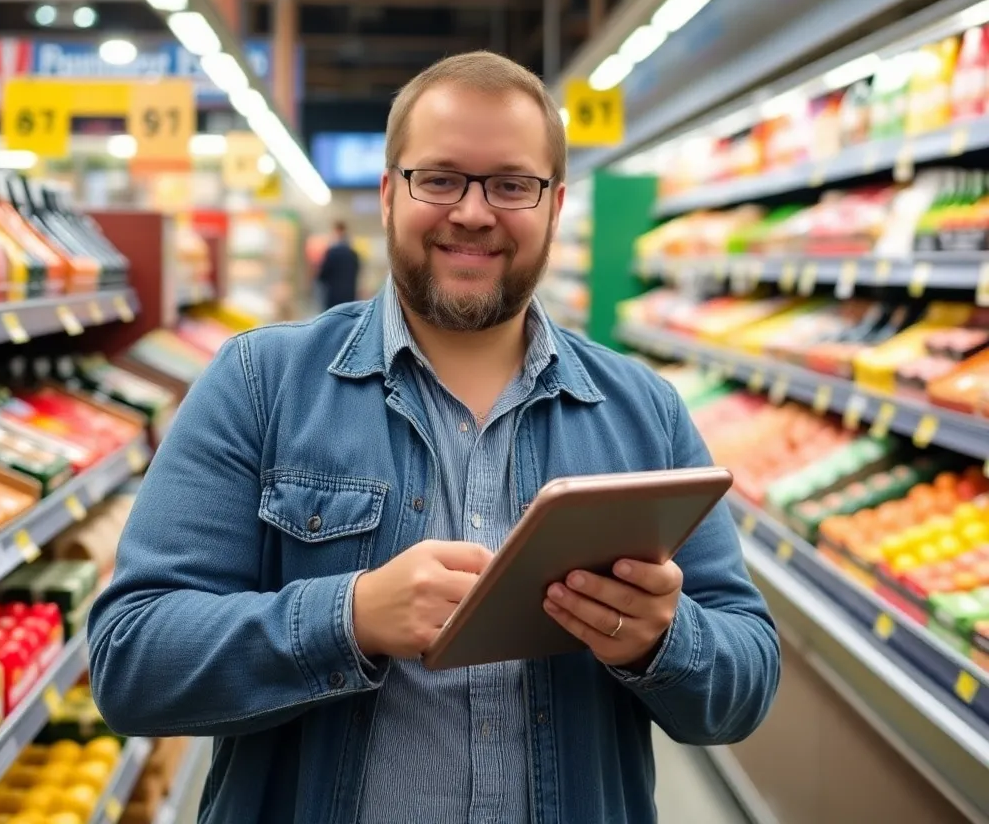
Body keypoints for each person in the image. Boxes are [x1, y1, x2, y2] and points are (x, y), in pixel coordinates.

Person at [88, 51, 780, 824]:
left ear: (555, 206)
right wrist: (348, 617)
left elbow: (746, 680)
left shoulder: (643, 411)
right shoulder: (261, 383)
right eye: (440, 178)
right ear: (389, 195)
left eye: (512, 184)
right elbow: (131, 661)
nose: (474, 212)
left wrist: (661, 639)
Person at [315, 220, 361, 309]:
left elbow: (322, 275)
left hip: (333, 298)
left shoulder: (332, 253)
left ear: (336, 231)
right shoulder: (353, 254)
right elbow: (357, 272)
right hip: (349, 296)